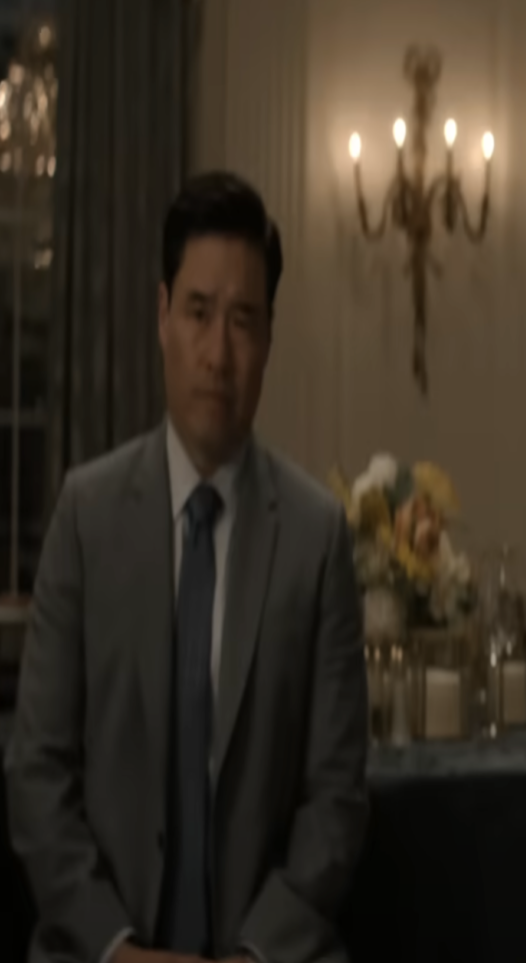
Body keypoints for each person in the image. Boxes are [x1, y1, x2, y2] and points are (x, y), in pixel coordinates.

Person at [6, 172, 368, 963]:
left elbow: (335, 803)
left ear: (269, 340)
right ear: (161, 315)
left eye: (243, 321)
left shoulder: (317, 538)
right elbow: (37, 776)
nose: (218, 354)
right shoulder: (85, 515)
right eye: (199, 313)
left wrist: (255, 954)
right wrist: (117, 949)